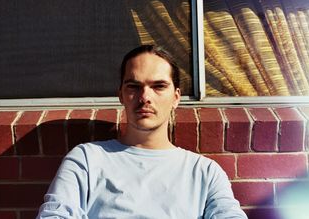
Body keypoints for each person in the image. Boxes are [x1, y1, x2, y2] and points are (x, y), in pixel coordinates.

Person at [36, 45, 247, 219]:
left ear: (176, 97)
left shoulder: (204, 172)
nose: (145, 97)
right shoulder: (87, 160)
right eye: (134, 86)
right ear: (121, 95)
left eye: (158, 86)